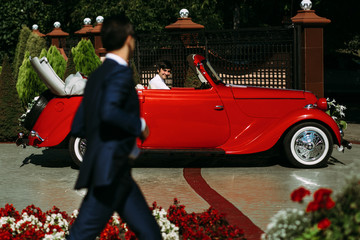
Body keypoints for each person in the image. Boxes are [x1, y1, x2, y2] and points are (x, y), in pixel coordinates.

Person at [67, 15, 161, 240]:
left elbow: (79, 124)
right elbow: (109, 112)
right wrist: (140, 124)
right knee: (81, 235)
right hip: (110, 172)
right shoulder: (120, 72)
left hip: (114, 170)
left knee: (150, 233)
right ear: (129, 40)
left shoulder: (97, 75)